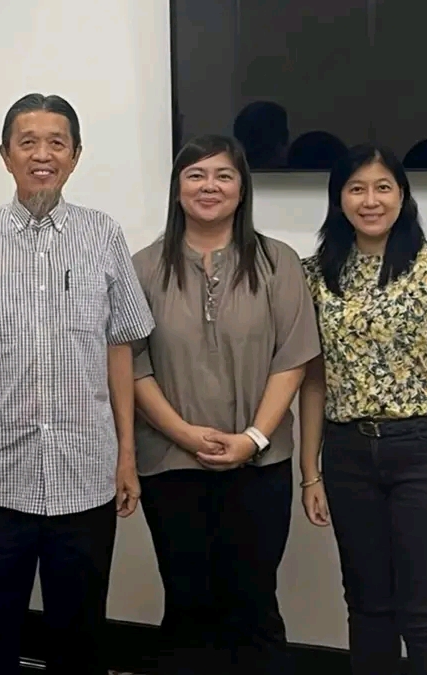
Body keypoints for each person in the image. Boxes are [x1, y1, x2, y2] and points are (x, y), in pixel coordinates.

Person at [0, 93, 155, 675]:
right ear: (5, 155)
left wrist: (126, 456)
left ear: (75, 155)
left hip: (86, 478)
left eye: (56, 143)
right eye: (28, 142)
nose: (42, 155)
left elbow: (120, 348)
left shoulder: (103, 236)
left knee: (81, 640)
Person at [130, 134, 320, 675]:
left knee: (254, 602)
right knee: (187, 604)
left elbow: (293, 359)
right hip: (171, 464)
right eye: (195, 175)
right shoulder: (143, 267)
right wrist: (184, 434)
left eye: (223, 175)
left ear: (242, 188)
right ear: (177, 188)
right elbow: (133, 366)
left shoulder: (278, 262)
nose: (208, 186)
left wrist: (253, 439)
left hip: (260, 465)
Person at [299, 145, 427, 675]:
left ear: (403, 196)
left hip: (424, 452)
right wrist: (310, 472)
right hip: (347, 455)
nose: (370, 200)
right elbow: (315, 381)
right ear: (338, 199)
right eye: (356, 188)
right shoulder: (317, 275)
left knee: (425, 615)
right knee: (367, 609)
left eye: (383, 187)